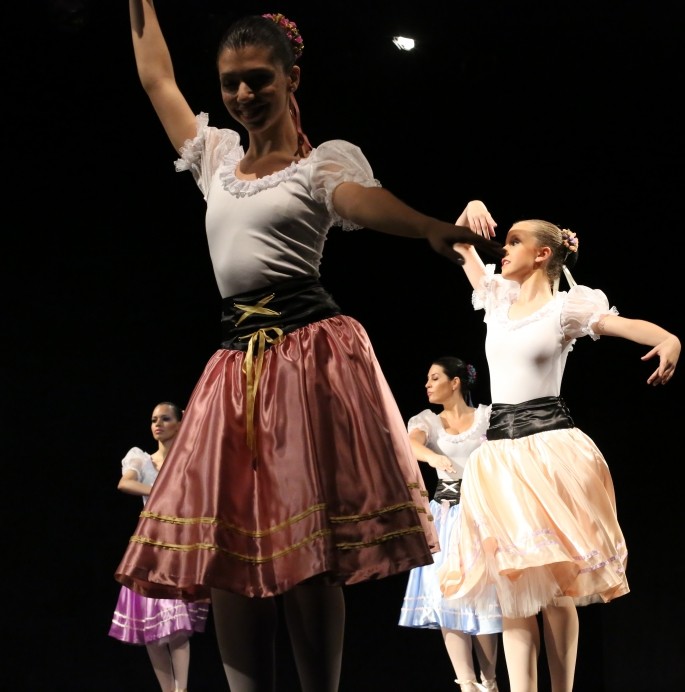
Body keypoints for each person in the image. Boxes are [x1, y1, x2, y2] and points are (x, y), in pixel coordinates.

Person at [116, 5, 503, 692]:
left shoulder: (320, 163)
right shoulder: (217, 160)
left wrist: (424, 229)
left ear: (292, 77)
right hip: (235, 365)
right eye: (231, 82)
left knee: (307, 552)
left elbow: (360, 201)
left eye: (258, 79)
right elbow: (156, 80)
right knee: (229, 548)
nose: (241, 94)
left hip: (305, 355)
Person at [438, 201, 682, 692]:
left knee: (555, 587)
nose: (501, 249)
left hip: (549, 451)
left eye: (512, 242)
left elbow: (622, 326)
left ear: (542, 253)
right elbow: (456, 241)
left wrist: (667, 337)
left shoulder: (565, 308)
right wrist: (471, 206)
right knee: (513, 583)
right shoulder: (495, 296)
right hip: (499, 458)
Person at [397, 356, 502, 692]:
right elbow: (409, 443)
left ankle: (491, 680)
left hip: (483, 515)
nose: (428, 384)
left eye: (435, 378)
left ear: (455, 382)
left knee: (484, 595)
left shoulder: (486, 416)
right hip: (446, 514)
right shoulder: (427, 420)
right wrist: (435, 456)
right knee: (449, 597)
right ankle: (467, 683)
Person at [109, 402, 210, 692]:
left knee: (177, 626)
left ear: (180, 423)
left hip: (179, 548)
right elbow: (125, 484)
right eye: (154, 419)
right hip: (150, 548)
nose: (158, 424)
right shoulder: (141, 460)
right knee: (151, 632)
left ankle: (182, 689)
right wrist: (160, 491)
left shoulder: (191, 462)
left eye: (165, 419)